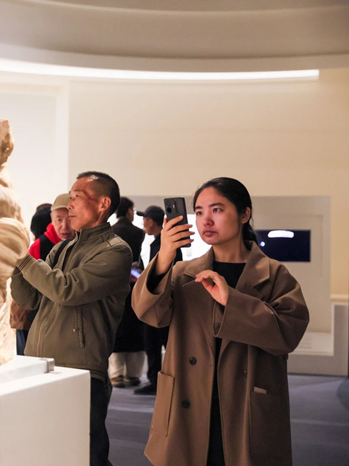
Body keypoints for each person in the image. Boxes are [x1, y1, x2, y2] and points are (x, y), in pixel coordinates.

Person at [132, 177, 309, 466]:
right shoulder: (182, 273)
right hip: (188, 402)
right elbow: (148, 313)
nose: (206, 220)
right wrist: (164, 257)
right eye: (199, 212)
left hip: (246, 408)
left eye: (217, 209)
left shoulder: (274, 274)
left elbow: (287, 335)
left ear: (244, 214)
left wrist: (233, 301)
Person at [11, 171, 132, 466]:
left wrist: (25, 259)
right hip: (40, 363)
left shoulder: (115, 251)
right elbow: (30, 300)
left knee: (84, 453)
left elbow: (67, 290)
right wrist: (14, 261)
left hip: (80, 369)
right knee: (45, 450)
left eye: (77, 196)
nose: (70, 204)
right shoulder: (63, 248)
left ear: (103, 204)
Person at [14, 193, 76, 355]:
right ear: (52, 219)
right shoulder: (39, 246)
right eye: (59, 220)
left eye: (70, 219)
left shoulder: (85, 247)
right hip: (40, 318)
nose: (64, 226)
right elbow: (29, 292)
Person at [133, 205, 183, 396]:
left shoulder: (164, 243)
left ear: (151, 221)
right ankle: (161, 380)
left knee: (157, 342)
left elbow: (166, 273)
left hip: (160, 301)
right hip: (161, 300)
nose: (143, 223)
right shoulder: (160, 242)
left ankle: (158, 381)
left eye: (145, 220)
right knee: (159, 342)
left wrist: (142, 278)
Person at [109, 197, 146, 388]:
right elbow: (138, 261)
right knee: (135, 329)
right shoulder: (138, 233)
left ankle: (116, 374)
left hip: (114, 286)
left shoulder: (110, 232)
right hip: (135, 285)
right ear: (130, 210)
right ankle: (133, 374)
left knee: (117, 329)